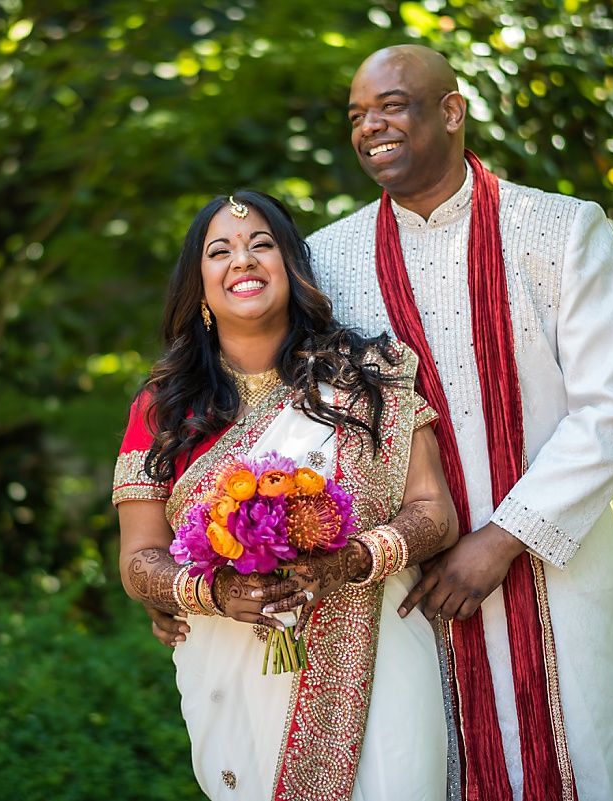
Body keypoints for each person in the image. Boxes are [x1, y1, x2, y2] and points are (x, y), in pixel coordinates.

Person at [148, 45, 613, 800]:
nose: (370, 127)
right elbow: (260, 405)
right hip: (397, 589)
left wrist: (501, 537)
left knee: (584, 757)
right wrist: (191, 578)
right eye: (358, 115)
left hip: (556, 566)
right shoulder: (329, 257)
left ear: (452, 111)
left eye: (391, 106)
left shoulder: (560, 231)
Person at [113, 190, 460, 801]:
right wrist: (211, 591)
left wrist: (353, 559)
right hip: (231, 659)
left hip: (376, 656)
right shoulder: (163, 408)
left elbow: (435, 513)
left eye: (261, 245)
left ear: (291, 266)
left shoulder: (367, 373)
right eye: (219, 251)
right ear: (199, 289)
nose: (242, 260)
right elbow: (139, 557)